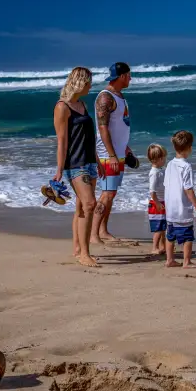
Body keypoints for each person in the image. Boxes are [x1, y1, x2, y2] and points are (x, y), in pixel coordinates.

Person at [52, 67, 99, 267]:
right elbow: (62, 141)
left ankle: (78, 250)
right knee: (90, 204)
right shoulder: (62, 107)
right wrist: (59, 170)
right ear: (81, 82)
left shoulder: (81, 104)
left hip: (90, 162)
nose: (91, 85)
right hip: (75, 163)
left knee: (81, 206)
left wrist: (97, 159)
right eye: (89, 82)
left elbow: (89, 137)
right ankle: (85, 254)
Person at [91, 62, 135, 244]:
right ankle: (93, 234)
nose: (131, 78)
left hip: (118, 152)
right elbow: (103, 128)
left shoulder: (119, 96)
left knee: (111, 193)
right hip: (107, 155)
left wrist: (125, 147)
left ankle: (103, 230)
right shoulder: (105, 98)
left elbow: (120, 126)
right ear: (122, 76)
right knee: (107, 193)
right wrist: (111, 155)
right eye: (129, 75)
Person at [163, 130, 196, 268]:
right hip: (182, 208)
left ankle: (169, 260)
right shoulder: (186, 166)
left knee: (170, 235)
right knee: (187, 236)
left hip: (170, 208)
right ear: (190, 148)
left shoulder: (170, 164)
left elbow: (166, 184)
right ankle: (186, 261)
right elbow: (188, 188)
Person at [147, 143, 168, 256]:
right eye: (164, 157)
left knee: (163, 227)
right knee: (158, 228)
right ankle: (154, 247)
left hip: (162, 202)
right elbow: (152, 191)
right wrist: (157, 203)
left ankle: (163, 246)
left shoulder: (160, 170)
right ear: (159, 159)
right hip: (156, 203)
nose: (165, 159)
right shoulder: (154, 173)